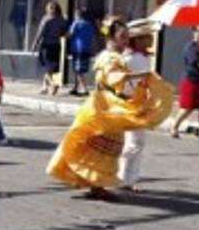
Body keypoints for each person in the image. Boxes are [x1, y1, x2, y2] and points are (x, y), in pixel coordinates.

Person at [47, 19, 175, 202]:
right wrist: (142, 74)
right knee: (99, 145)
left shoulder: (115, 56)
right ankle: (96, 185)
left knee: (104, 146)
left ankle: (95, 184)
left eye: (127, 37)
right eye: (122, 37)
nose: (126, 41)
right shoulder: (109, 57)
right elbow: (113, 78)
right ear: (112, 37)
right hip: (104, 106)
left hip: (109, 104)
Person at [118, 19, 160, 191]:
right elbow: (139, 84)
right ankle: (125, 179)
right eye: (146, 36)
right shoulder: (136, 59)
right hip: (134, 103)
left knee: (133, 142)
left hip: (131, 102)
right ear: (137, 40)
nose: (150, 39)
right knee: (135, 143)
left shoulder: (138, 57)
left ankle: (127, 178)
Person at [171, 26, 199, 139]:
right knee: (188, 107)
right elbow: (198, 64)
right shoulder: (191, 47)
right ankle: (175, 127)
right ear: (194, 33)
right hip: (192, 80)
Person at [34, 1, 68, 96]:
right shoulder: (62, 20)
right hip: (56, 44)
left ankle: (53, 84)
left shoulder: (46, 19)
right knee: (55, 67)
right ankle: (45, 87)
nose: (47, 9)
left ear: (52, 9)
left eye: (48, 8)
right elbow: (65, 32)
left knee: (46, 67)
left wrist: (35, 44)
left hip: (46, 45)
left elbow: (40, 33)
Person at [67, 8, 97, 96]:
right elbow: (93, 38)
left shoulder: (76, 23)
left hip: (77, 48)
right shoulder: (90, 25)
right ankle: (76, 87)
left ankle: (84, 88)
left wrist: (63, 34)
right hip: (87, 49)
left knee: (78, 70)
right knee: (80, 68)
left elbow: (70, 34)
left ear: (77, 15)